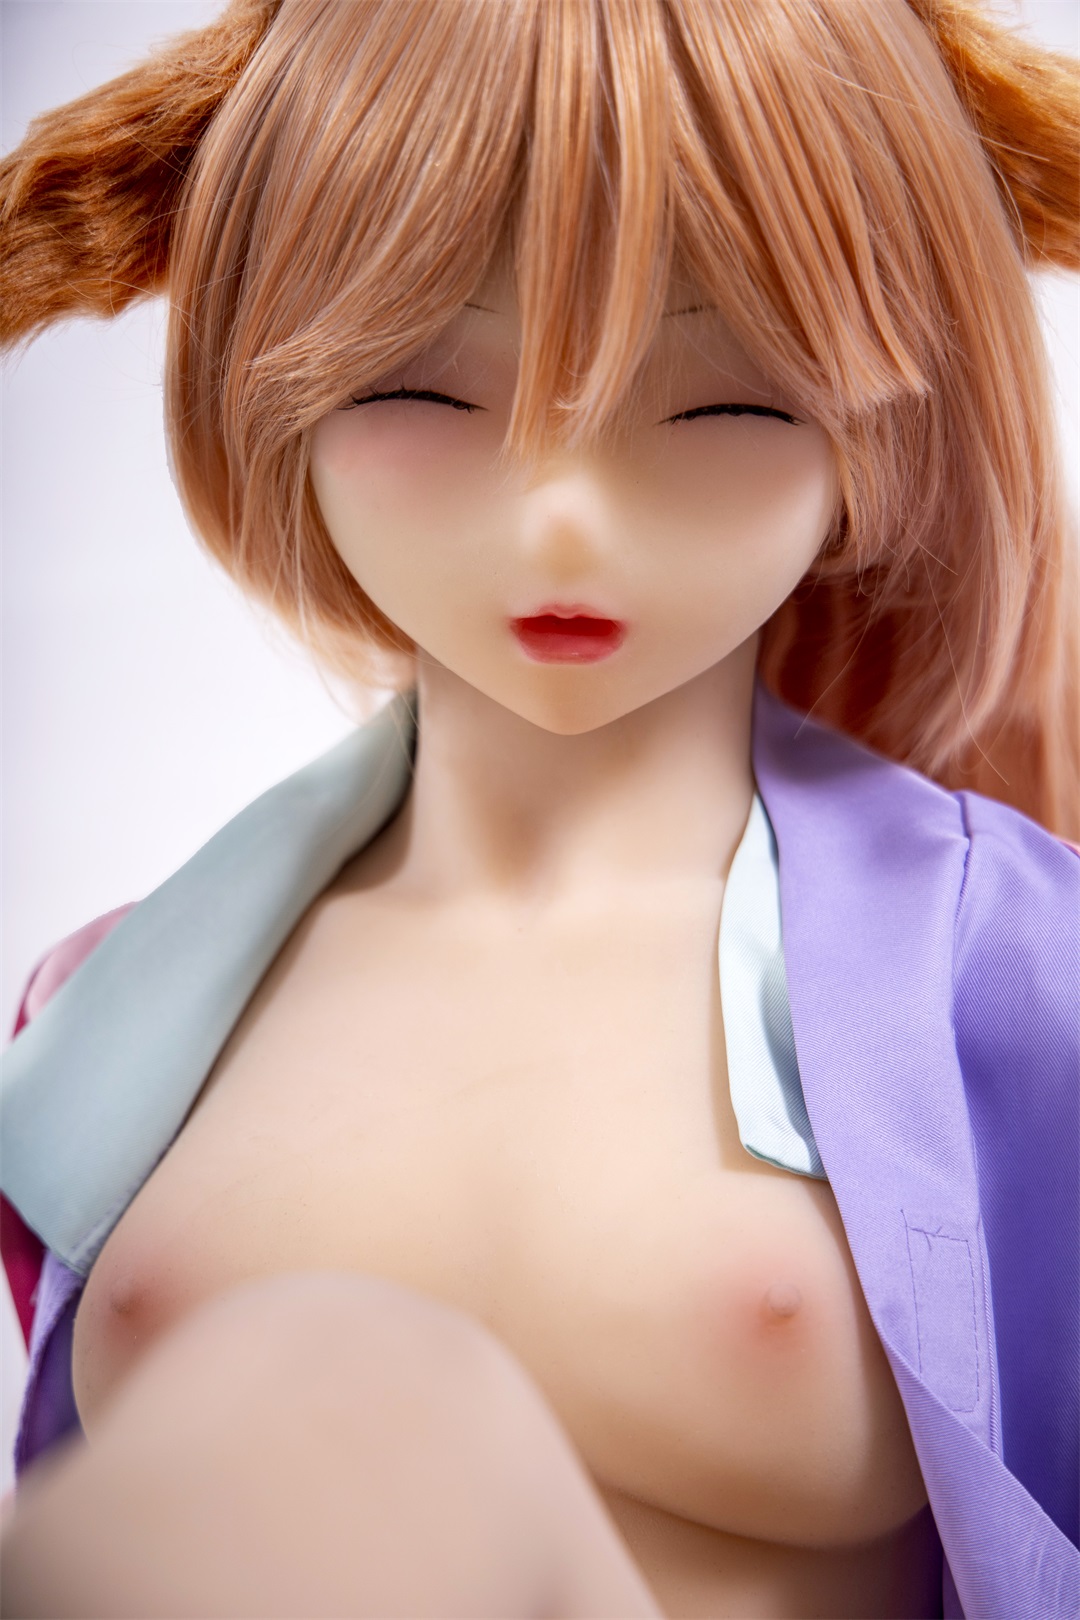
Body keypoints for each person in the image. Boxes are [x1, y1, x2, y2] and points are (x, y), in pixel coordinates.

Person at [0, 0, 1077, 1615]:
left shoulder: (1015, 983)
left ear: (880, 423)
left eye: (726, 402)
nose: (562, 515)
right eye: (424, 389)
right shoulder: (105, 1017)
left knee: (355, 1390)